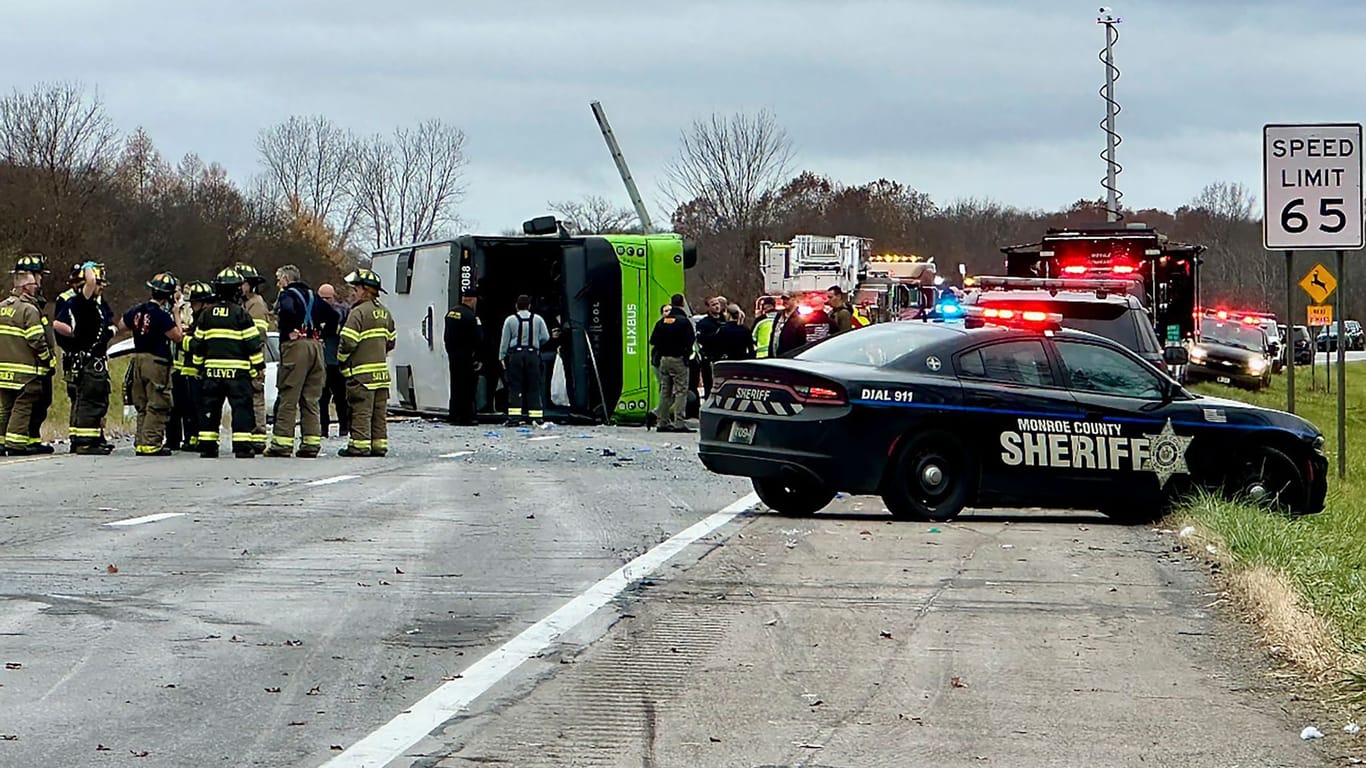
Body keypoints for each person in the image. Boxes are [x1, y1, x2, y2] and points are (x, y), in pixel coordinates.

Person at [265, 265, 338, 458]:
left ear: (286, 280)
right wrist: (323, 335)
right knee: (311, 399)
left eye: (279, 279)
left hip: (296, 348)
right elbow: (334, 316)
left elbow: (287, 310)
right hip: (315, 347)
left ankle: (282, 444)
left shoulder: (287, 294)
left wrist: (289, 329)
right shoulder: (313, 296)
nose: (278, 283)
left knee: (289, 396)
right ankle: (311, 444)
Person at [193, 267, 263, 459]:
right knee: (241, 409)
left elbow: (198, 345)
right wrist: (258, 368)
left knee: (210, 408)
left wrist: (199, 367)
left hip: (212, 373)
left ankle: (207, 446)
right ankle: (242, 447)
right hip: (237, 374)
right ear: (237, 290)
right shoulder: (241, 314)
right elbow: (253, 344)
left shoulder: (206, 315)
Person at [122, 272, 184, 456]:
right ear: (169, 295)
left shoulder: (138, 310)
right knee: (158, 402)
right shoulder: (161, 315)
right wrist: (176, 314)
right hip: (156, 362)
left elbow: (121, 325)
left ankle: (141, 441)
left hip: (138, 359)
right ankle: (151, 443)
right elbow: (177, 336)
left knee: (142, 403)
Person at [58, 262, 117, 455]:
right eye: (98, 284)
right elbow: (58, 324)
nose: (100, 287)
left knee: (88, 400)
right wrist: (89, 268)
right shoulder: (81, 302)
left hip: (89, 360)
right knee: (90, 402)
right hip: (90, 362)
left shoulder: (92, 304)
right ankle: (86, 442)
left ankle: (84, 440)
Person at [337, 268, 396, 457]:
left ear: (364, 290)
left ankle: (359, 446)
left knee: (361, 410)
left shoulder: (358, 313)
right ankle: (378, 446)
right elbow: (391, 342)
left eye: (355, 288)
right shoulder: (385, 313)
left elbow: (347, 342)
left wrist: (341, 360)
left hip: (361, 375)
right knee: (379, 413)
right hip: (381, 375)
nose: (352, 292)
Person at [0, 257, 55, 456]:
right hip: (26, 373)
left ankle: (1, 441)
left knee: (5, 407)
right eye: (36, 280)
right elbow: (36, 340)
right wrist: (49, 359)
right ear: (26, 286)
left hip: (4, 372)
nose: (39, 285)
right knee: (22, 408)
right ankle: (15, 444)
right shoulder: (28, 310)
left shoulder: (3, 307)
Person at [171, 281, 214, 451]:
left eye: (195, 303)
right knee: (191, 406)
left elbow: (196, 343)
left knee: (198, 406)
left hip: (198, 370)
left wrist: (183, 339)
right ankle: (194, 438)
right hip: (192, 369)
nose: (193, 306)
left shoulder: (204, 318)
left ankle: (198, 439)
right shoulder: (203, 317)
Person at [235, 262, 271, 454]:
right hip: (244, 360)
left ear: (250, 285)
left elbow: (258, 336)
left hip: (253, 360)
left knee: (255, 397)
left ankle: (258, 437)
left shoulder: (256, 304)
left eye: (242, 283)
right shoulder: (244, 304)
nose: (239, 287)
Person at [498, 295, 550, 426]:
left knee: (515, 386)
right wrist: (536, 343)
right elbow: (546, 337)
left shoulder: (510, 320)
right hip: (533, 355)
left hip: (516, 355)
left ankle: (515, 417)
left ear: (516, 305)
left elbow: (505, 341)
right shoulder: (538, 319)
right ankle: (536, 417)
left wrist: (502, 357)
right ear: (529, 306)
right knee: (534, 386)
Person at [649, 293, 695, 433]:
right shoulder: (683, 321)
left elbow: (653, 340)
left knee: (665, 392)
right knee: (681, 391)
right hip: (678, 360)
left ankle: (662, 422)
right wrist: (685, 352)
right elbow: (690, 340)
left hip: (663, 360)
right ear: (681, 304)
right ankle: (679, 423)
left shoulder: (661, 322)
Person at [443, 290, 482, 425]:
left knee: (456, 386)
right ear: (473, 300)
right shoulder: (471, 316)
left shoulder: (451, 313)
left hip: (453, 355)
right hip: (467, 357)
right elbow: (478, 339)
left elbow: (446, 336)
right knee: (468, 388)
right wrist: (478, 357)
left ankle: (454, 415)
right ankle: (466, 417)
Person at [317, 283, 350, 438]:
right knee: (321, 401)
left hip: (337, 363)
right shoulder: (313, 314)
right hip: (321, 364)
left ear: (334, 297)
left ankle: (344, 427)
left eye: (327, 298)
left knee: (341, 398)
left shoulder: (342, 312)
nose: (324, 301)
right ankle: (323, 429)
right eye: (321, 298)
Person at [695, 296, 725, 398]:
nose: (717, 307)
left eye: (717, 304)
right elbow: (701, 340)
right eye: (713, 305)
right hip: (709, 359)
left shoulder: (725, 320)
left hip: (724, 358)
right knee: (709, 385)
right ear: (708, 308)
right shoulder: (704, 324)